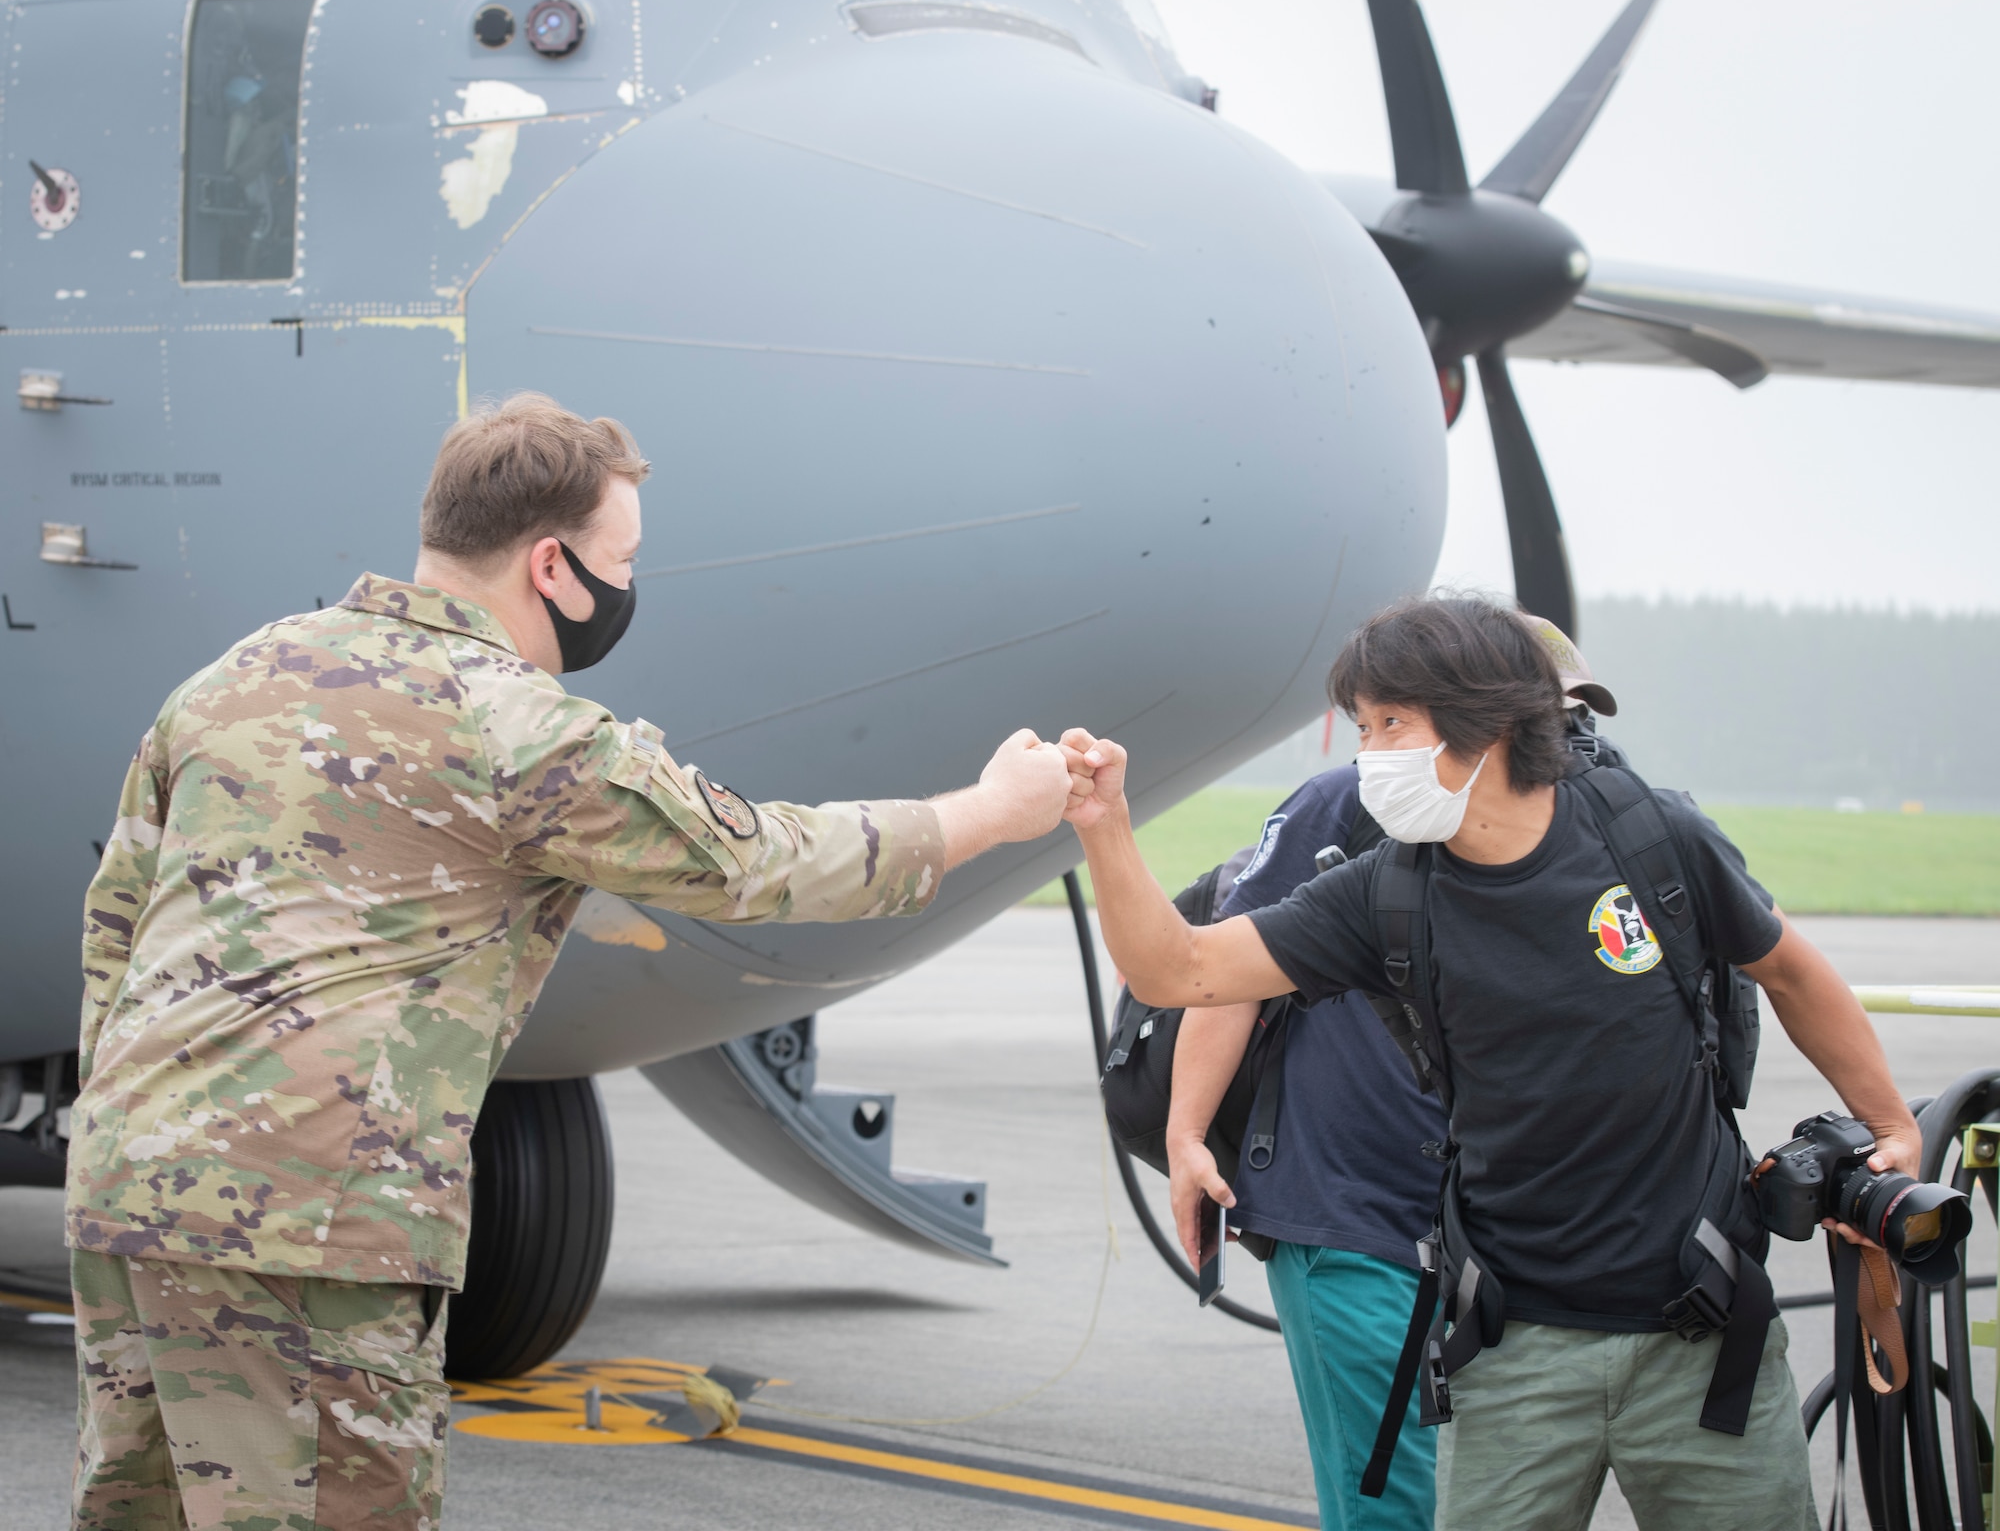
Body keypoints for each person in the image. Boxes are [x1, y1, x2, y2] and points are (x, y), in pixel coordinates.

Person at [67, 392, 1075, 1531]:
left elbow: (118, 922)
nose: (628, 587)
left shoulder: (239, 675)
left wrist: (130, 1118)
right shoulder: (518, 729)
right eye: (622, 558)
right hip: (308, 1215)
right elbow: (756, 862)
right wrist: (991, 811)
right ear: (551, 564)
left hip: (127, 1185)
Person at [1062, 593, 1920, 1531]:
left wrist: (1889, 1124)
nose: (1371, 752)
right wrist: (1106, 827)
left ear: (1488, 723)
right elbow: (1184, 970)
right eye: (1364, 725)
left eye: (1394, 722)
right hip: (1514, 1347)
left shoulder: (1649, 835)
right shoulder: (1383, 891)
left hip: (1704, 1330)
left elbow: (1788, 967)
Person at [1165, 619, 1620, 1531]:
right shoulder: (1350, 803)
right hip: (1354, 1213)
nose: (1570, 745)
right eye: (1549, 720)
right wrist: (1185, 1135)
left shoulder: (1605, 826)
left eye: (1577, 722)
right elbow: (1219, 980)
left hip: (1504, 1236)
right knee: (1398, 1503)